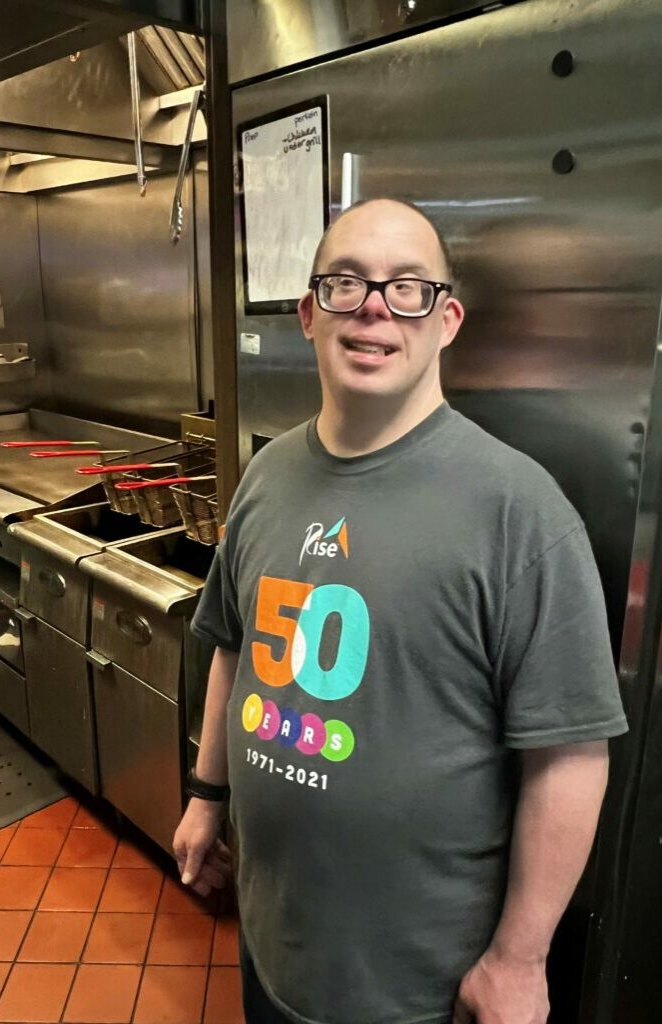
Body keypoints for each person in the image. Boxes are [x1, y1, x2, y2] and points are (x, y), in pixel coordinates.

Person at [173, 198, 628, 1024]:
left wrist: (520, 959)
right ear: (310, 313)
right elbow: (233, 649)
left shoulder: (518, 511)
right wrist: (207, 795)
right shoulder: (268, 475)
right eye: (345, 284)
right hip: (273, 950)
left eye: (407, 287)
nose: (374, 307)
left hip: (419, 989)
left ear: (447, 319)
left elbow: (570, 754)